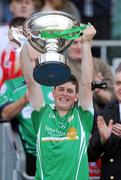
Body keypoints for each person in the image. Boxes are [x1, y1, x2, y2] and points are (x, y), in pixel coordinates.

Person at [20, 24, 96, 179]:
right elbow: (31, 82)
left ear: (76, 96)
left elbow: (86, 83)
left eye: (70, 91)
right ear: (53, 92)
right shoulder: (42, 114)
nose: (65, 94)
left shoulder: (83, 117)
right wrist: (24, 42)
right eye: (60, 89)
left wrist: (87, 43)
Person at [88, 62, 121, 180]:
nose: (120, 88)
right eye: (118, 83)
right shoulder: (106, 112)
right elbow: (90, 156)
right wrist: (102, 140)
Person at [66, 36, 114, 113]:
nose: (79, 46)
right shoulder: (62, 66)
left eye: (83, 42)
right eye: (75, 42)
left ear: (90, 44)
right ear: (67, 44)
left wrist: (96, 89)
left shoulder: (101, 65)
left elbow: (112, 98)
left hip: (100, 115)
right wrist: (93, 85)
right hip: (72, 114)